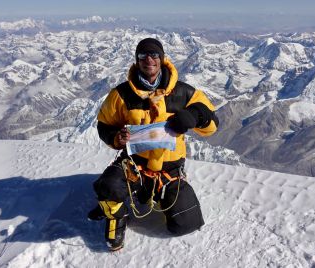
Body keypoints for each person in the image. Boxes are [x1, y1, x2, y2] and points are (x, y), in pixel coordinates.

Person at [88, 37, 219, 251]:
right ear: (137, 61)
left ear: (162, 59)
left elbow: (212, 123)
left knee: (187, 223)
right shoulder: (121, 94)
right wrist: (115, 138)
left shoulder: (184, 92)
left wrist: (195, 115)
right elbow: (104, 124)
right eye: (143, 55)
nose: (149, 59)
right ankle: (117, 216)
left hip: (169, 169)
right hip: (134, 164)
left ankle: (158, 196)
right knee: (108, 185)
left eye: (154, 54)